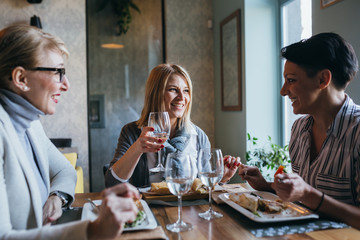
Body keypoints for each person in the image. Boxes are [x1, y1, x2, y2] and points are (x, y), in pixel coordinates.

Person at [0, 24, 140, 239]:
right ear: (21, 79)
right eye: (58, 72)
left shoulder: (31, 124)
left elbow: (65, 170)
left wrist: (56, 197)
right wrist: (93, 231)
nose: (66, 85)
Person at [238, 32, 360, 229]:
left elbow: (308, 195)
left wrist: (310, 196)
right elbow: (301, 194)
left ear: (322, 80)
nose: (283, 90)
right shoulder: (299, 129)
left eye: (291, 80)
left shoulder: (357, 133)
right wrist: (265, 185)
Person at [105, 63, 240, 188]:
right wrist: (137, 149)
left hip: (190, 211)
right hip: (150, 211)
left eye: (186, 90)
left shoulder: (199, 136)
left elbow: (204, 189)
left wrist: (221, 179)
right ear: (155, 93)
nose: (182, 97)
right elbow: (112, 184)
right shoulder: (132, 132)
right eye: (173, 89)